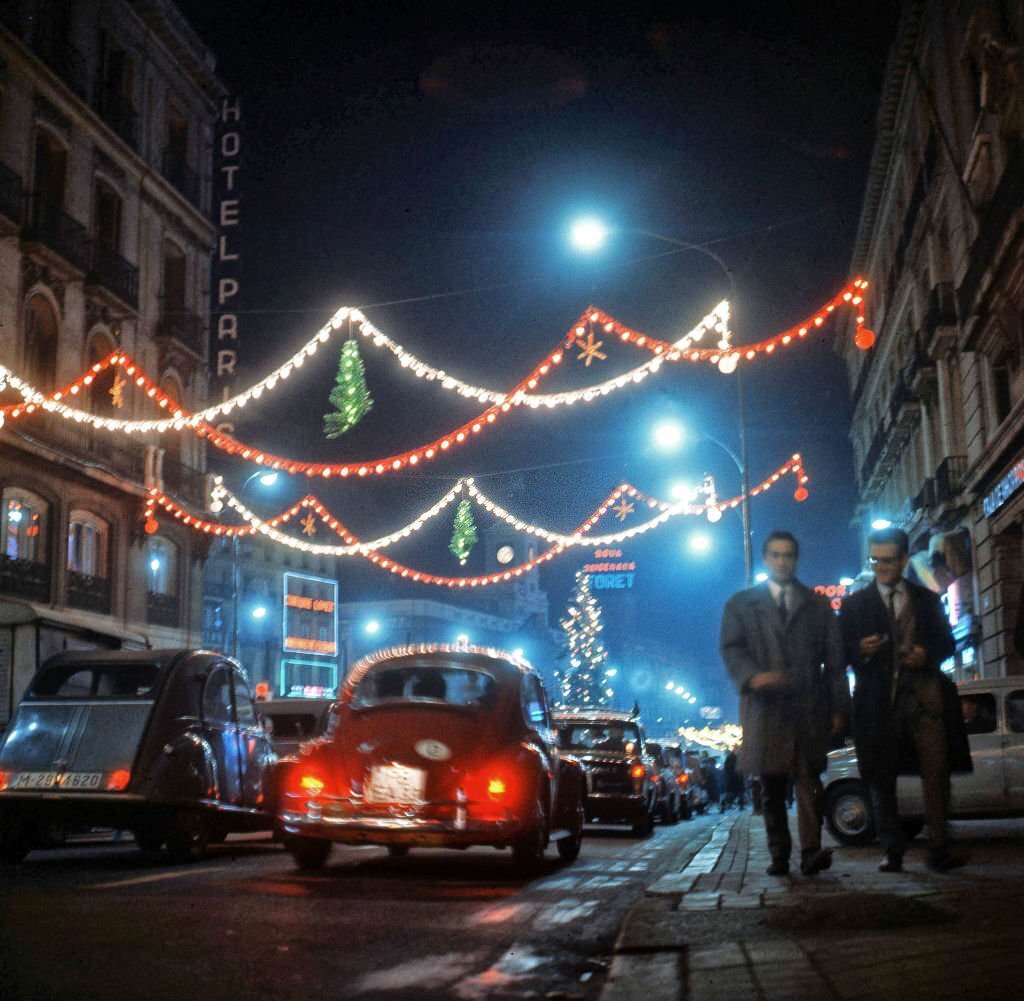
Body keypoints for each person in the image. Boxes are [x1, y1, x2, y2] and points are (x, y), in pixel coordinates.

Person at [838, 527, 972, 873]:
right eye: (876, 561)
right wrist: (860, 651)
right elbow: (840, 654)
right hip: (879, 703)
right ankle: (892, 849)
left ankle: (939, 846)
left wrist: (925, 654)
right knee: (881, 777)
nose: (881, 567)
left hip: (924, 699)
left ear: (903, 559)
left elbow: (947, 643)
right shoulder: (854, 605)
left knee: (936, 771)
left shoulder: (925, 598)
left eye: (888, 560)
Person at [721, 530, 848, 876]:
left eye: (788, 555)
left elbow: (836, 662)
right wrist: (752, 677)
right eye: (775, 555)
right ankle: (779, 854)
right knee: (772, 787)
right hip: (765, 708)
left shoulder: (817, 605)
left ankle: (811, 851)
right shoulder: (741, 605)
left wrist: (839, 708)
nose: (782, 561)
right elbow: (732, 648)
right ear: (766, 559)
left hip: (807, 706)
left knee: (809, 782)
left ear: (796, 559)